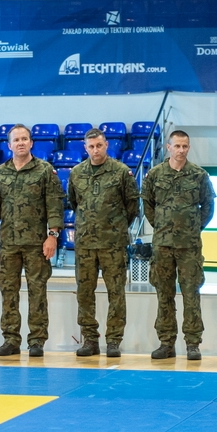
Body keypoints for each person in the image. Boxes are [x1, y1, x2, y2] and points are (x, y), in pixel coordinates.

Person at [0, 124, 64, 357]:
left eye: (25, 139)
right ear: (9, 145)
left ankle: (37, 340)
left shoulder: (44, 170)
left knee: (37, 291)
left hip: (37, 243)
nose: (20, 142)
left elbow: (55, 206)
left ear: (31, 143)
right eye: (16, 139)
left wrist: (53, 236)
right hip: (8, 243)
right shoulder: (1, 172)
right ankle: (10, 339)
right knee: (8, 292)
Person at [142, 130, 215, 360]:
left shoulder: (199, 175)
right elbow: (149, 207)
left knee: (191, 293)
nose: (181, 150)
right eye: (177, 146)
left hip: (189, 246)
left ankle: (193, 343)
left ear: (188, 148)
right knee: (164, 294)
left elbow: (208, 207)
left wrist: (192, 228)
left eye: (185, 146)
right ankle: (166, 342)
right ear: (168, 147)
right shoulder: (154, 175)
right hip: (162, 245)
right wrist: (164, 227)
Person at [68, 128, 140, 358]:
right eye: (91, 146)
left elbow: (132, 207)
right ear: (85, 147)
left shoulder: (121, 172)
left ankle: (113, 340)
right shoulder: (77, 173)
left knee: (116, 293)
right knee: (84, 293)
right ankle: (90, 339)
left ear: (106, 145)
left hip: (113, 244)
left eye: (99, 145)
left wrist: (115, 227)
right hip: (85, 245)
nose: (95, 150)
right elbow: (73, 203)